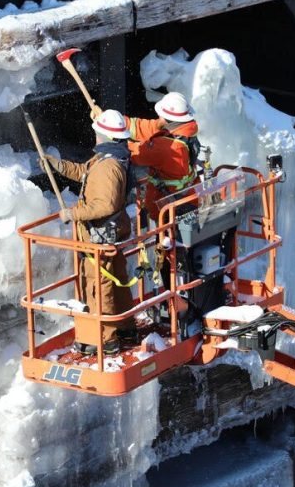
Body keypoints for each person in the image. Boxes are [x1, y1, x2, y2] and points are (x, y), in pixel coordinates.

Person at [41, 109, 135, 355]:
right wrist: (58, 165)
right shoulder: (107, 160)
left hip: (100, 234)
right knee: (116, 281)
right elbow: (84, 173)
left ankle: (105, 338)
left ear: (104, 135)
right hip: (108, 232)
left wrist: (73, 214)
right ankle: (124, 325)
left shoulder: (108, 166)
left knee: (99, 284)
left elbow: (105, 205)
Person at [94, 92, 200, 220]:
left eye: (161, 116)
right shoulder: (186, 130)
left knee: (165, 235)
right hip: (186, 197)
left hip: (165, 206)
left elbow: (132, 152)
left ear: (169, 119)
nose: (159, 117)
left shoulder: (167, 147)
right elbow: (146, 127)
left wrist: (108, 131)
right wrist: (112, 120)